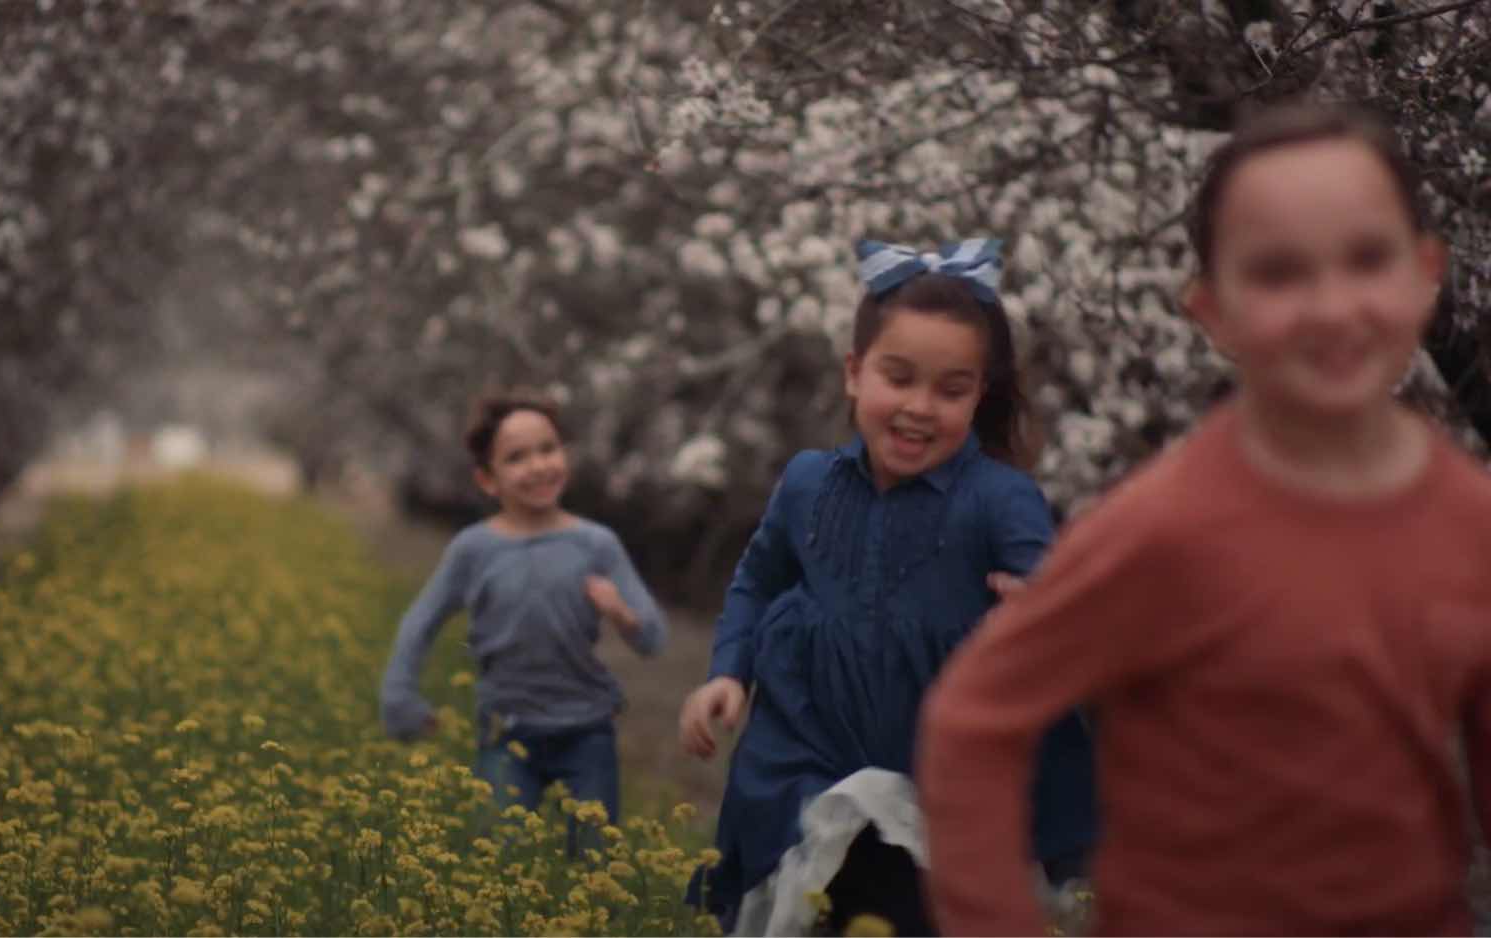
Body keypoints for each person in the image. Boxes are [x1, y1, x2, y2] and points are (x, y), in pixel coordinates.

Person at [918, 101, 1491, 935]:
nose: (1331, 307)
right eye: (1279, 273)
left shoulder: (1472, 522)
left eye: (1368, 259)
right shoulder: (1163, 530)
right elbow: (975, 723)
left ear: (1425, 274)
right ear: (1211, 312)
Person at [679, 237, 1099, 935]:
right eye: (898, 378)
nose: (919, 407)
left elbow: (1060, 615)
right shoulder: (809, 481)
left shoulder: (1001, 499)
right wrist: (729, 671)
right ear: (854, 373)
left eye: (951, 389)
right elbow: (757, 580)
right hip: (801, 755)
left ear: (980, 395)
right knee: (805, 907)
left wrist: (1041, 620)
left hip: (929, 776)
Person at [378, 391, 666, 838]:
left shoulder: (596, 545)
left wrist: (620, 614)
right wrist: (400, 697)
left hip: (587, 733)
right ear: (487, 480)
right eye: (516, 458)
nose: (538, 466)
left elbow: (653, 639)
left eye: (548, 449)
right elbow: (420, 623)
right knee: (501, 866)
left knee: (595, 870)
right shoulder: (473, 550)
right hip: (505, 734)